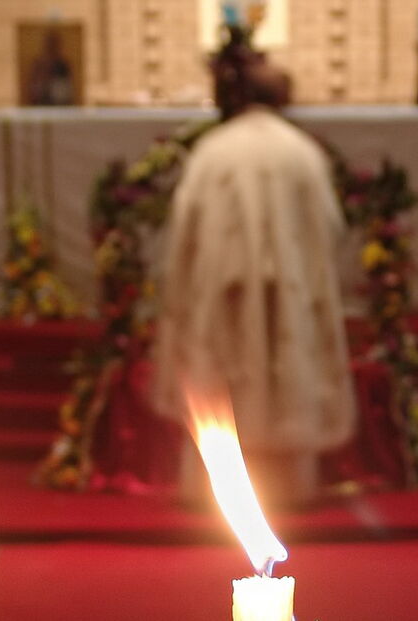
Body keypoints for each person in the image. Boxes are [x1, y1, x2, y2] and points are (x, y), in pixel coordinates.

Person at [153, 33, 356, 505]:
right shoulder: (302, 152)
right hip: (289, 291)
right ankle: (287, 489)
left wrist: (183, 289)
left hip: (221, 292)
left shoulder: (213, 151)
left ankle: (216, 494)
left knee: (220, 382)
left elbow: (184, 230)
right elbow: (329, 228)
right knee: (287, 377)